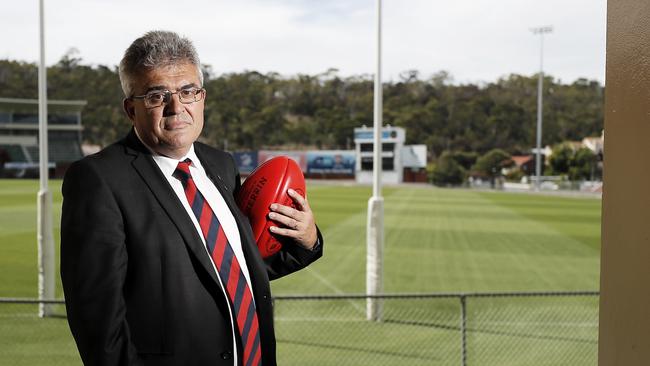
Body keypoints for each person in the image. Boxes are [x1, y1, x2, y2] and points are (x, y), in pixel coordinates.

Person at [60, 30, 323, 366]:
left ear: (202, 97)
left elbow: (229, 271)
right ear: (130, 109)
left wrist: (306, 240)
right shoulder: (98, 180)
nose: (176, 108)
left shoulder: (221, 165)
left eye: (187, 92)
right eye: (157, 96)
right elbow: (96, 317)